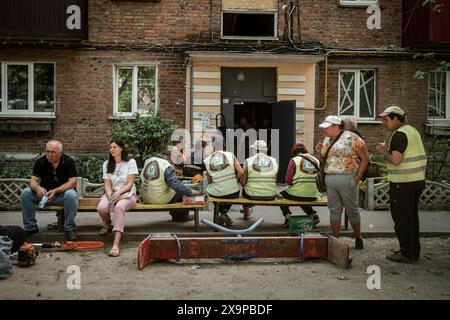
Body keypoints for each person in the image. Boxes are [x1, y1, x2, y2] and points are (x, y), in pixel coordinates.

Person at [376, 106, 427, 263]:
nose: (384, 123)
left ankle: (407, 253)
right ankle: (413, 250)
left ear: (396, 119)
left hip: (402, 183)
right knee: (411, 218)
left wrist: (383, 151)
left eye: (386, 119)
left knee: (402, 219)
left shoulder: (399, 135)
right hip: (416, 181)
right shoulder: (413, 131)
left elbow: (396, 161)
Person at [315, 115, 369, 249]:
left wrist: (357, 177)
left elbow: (365, 158)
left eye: (327, 128)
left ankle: (358, 238)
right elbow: (324, 161)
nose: (324, 130)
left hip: (348, 177)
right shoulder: (328, 139)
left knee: (352, 210)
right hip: (331, 179)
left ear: (336, 127)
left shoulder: (353, 138)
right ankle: (336, 240)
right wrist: (319, 153)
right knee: (334, 210)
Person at [20, 140, 78, 240]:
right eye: (47, 151)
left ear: (60, 153)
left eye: (53, 152)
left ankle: (69, 228)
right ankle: (31, 227)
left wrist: (55, 191)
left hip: (61, 196)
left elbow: (73, 182)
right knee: (26, 193)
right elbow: (33, 181)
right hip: (43, 196)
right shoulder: (40, 161)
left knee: (71, 194)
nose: (49, 155)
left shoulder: (68, 161)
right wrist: (37, 188)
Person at [96, 140, 138, 257]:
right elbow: (107, 184)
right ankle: (108, 223)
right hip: (112, 193)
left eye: (114, 147)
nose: (112, 149)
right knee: (101, 208)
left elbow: (130, 184)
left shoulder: (130, 162)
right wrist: (111, 197)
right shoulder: (107, 163)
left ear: (121, 148)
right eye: (110, 147)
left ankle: (116, 244)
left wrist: (118, 194)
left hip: (127, 194)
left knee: (119, 207)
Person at [140, 147, 200, 222]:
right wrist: (192, 191)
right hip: (158, 198)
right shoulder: (165, 164)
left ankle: (177, 215)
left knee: (174, 191)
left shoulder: (149, 160)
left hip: (145, 197)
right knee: (183, 191)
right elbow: (176, 185)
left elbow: (141, 179)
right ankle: (182, 216)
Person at [203, 137, 244, 227]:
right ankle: (224, 213)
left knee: (210, 190)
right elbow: (241, 172)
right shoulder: (230, 155)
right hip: (232, 192)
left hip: (216, 192)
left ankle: (221, 214)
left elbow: (209, 181)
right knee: (231, 191)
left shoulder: (207, 160)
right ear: (224, 144)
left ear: (213, 146)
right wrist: (235, 179)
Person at [280, 143, 321, 228]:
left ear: (294, 152)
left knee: (281, 196)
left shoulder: (294, 160)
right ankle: (313, 216)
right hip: (313, 194)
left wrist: (292, 184)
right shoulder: (315, 160)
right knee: (303, 196)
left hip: (297, 193)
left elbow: (288, 180)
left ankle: (288, 217)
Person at [240, 140, 278, 217]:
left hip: (251, 195)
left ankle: (246, 214)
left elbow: (243, 183)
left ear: (255, 150)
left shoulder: (248, 161)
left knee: (244, 190)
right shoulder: (274, 161)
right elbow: (275, 180)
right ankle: (247, 211)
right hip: (270, 195)